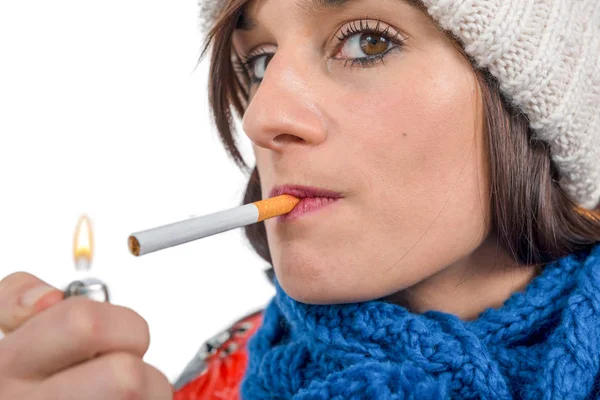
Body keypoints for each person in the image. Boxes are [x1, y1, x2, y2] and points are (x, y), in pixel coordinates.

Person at [0, 0, 598, 398]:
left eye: (366, 42)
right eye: (259, 63)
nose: (263, 118)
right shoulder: (205, 382)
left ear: (538, 111)